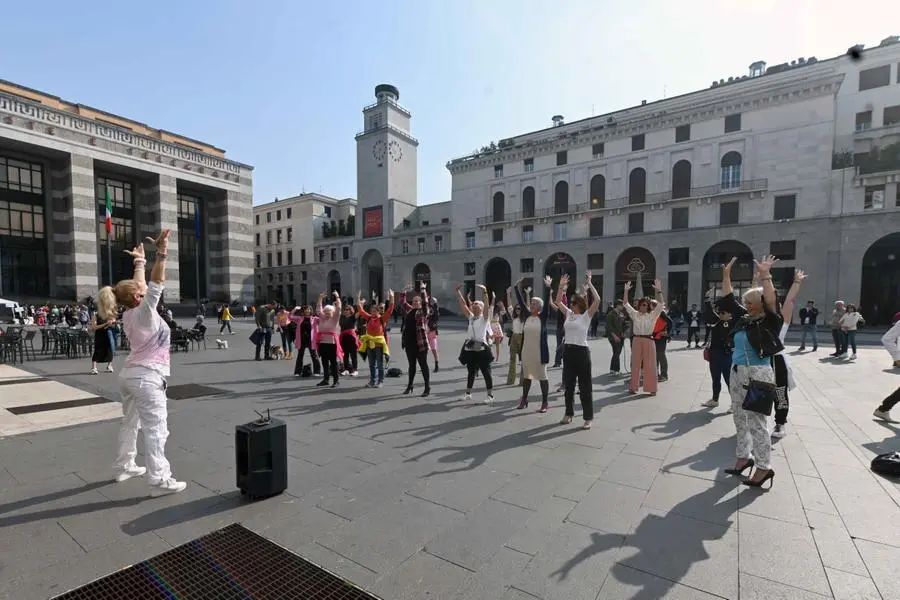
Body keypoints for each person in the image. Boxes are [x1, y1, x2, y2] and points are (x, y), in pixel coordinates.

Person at [107, 230, 186, 496]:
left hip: (129, 375)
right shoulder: (144, 312)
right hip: (147, 376)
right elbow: (156, 283)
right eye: (140, 291)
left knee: (130, 423)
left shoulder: (129, 312)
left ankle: (125, 465)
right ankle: (160, 480)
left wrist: (140, 262)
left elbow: (140, 286)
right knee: (156, 429)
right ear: (139, 297)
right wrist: (161, 254)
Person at [717, 255, 783, 488]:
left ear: (761, 303)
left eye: (750, 301)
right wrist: (726, 275)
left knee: (757, 422)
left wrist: (765, 275)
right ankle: (743, 457)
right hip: (738, 372)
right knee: (739, 417)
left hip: (759, 374)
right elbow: (727, 299)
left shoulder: (770, 321)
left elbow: (772, 300)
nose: (746, 304)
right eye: (745, 301)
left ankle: (764, 467)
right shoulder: (743, 320)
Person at [555, 272, 601, 429]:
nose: (571, 304)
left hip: (581, 352)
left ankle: (588, 417)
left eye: (574, 303)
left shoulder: (586, 316)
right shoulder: (568, 314)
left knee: (585, 386)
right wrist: (561, 286)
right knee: (569, 385)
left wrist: (590, 282)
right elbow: (557, 301)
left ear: (580, 305)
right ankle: (568, 414)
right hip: (568, 351)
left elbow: (598, 300)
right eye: (572, 302)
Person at [771, 269, 806, 438]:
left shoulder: (781, 320)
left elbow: (790, 300)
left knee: (780, 393)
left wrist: (797, 282)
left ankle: (780, 423)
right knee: (757, 393)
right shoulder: (757, 319)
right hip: (758, 361)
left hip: (776, 362)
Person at [512, 276, 553, 411]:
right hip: (527, 352)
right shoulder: (527, 316)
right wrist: (516, 288)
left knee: (542, 377)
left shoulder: (543, 317)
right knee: (527, 377)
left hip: (539, 353)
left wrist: (548, 287)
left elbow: (547, 302)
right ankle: (524, 400)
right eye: (532, 303)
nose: (531, 305)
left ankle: (545, 403)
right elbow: (521, 302)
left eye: (534, 304)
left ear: (539, 307)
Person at [623, 279, 665, 395]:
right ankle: (633, 387)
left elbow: (661, 304)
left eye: (645, 305)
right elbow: (625, 304)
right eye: (641, 304)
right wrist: (626, 291)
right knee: (635, 364)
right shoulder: (635, 314)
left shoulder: (652, 315)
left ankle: (652, 388)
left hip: (648, 339)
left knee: (650, 364)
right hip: (637, 339)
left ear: (648, 307)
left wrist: (659, 290)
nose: (643, 306)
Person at [456, 283, 495, 404]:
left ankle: (490, 395)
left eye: (476, 304)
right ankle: (468, 393)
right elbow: (463, 305)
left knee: (485, 371)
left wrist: (485, 292)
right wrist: (458, 292)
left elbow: (488, 306)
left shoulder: (484, 318)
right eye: (473, 304)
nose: (474, 305)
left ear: (482, 308)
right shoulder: (471, 317)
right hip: (470, 346)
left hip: (481, 347)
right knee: (471, 370)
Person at [701, 295, 734, 409]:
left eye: (723, 312)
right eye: (720, 312)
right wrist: (707, 300)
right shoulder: (717, 321)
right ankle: (715, 399)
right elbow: (710, 312)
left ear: (730, 313)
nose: (720, 314)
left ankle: (734, 403)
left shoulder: (734, 323)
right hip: (715, 355)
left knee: (729, 380)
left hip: (727, 355)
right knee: (715, 379)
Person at [401, 283, 432, 397]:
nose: (414, 303)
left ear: (420, 303)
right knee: (411, 366)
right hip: (409, 344)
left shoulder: (422, 312)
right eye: (413, 301)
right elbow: (403, 303)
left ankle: (427, 387)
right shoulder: (410, 311)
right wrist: (404, 291)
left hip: (421, 344)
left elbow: (425, 304)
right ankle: (410, 385)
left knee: (423, 365)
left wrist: (423, 289)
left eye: (416, 301)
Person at [358, 290, 394, 388]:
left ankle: (380, 381)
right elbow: (361, 311)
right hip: (369, 344)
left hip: (378, 345)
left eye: (375, 311)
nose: (372, 312)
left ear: (379, 311)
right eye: (371, 311)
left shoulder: (382, 319)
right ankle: (372, 380)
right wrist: (359, 300)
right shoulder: (369, 318)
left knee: (379, 364)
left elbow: (390, 310)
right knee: (371, 364)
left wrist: (391, 297)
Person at [315, 292, 342, 388]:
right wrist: (320, 298)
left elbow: (338, 308)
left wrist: (337, 296)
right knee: (324, 362)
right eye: (325, 312)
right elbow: (318, 309)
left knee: (333, 363)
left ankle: (336, 380)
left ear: (332, 312)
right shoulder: (322, 318)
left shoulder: (335, 319)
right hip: (322, 343)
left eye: (328, 312)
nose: (326, 313)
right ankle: (326, 379)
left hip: (332, 343)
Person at [89, 295, 117, 375]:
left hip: (109, 334)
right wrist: (105, 324)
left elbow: (113, 325)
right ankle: (94, 368)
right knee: (97, 350)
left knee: (110, 349)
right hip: (99, 335)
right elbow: (94, 327)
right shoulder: (95, 315)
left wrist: (112, 322)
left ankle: (109, 365)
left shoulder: (109, 315)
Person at [291, 306, 320, 376]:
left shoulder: (314, 319)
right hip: (302, 339)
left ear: (310, 310)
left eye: (308, 309)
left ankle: (317, 372)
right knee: (300, 355)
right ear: (303, 311)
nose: (307, 311)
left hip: (311, 339)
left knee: (314, 355)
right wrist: (295, 309)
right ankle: (298, 372)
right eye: (305, 309)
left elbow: (323, 318)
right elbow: (290, 317)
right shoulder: (299, 318)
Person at [505, 287, 525, 386]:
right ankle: (510, 380)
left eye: (519, 309)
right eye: (516, 308)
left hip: (522, 337)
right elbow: (509, 305)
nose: (517, 310)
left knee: (523, 360)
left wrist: (528, 295)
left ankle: (522, 381)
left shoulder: (524, 318)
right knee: (512, 359)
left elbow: (528, 306)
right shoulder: (514, 317)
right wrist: (508, 294)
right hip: (514, 337)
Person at [652, 301, 673, 383]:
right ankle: (656, 374)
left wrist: (666, 332)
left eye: (652, 305)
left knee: (661, 355)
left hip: (661, 337)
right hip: (655, 336)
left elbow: (670, 322)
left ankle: (664, 375)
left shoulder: (661, 313)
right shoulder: (654, 313)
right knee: (655, 356)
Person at [606, 300, 626, 375]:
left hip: (621, 336)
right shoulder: (611, 314)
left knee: (617, 353)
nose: (622, 306)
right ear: (617, 305)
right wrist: (614, 336)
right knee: (616, 352)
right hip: (613, 337)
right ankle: (615, 370)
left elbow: (623, 324)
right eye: (621, 305)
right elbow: (608, 326)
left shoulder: (621, 314)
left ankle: (613, 369)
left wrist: (624, 332)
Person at [339, 303, 359, 376]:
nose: (345, 311)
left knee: (353, 354)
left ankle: (355, 369)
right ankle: (346, 369)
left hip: (351, 337)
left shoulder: (353, 317)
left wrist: (360, 303)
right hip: (343, 337)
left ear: (351, 310)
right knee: (345, 354)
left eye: (347, 309)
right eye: (344, 309)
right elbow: (337, 311)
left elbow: (360, 312)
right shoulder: (341, 317)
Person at [426, 295, 440, 372]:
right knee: (424, 350)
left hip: (432, 332)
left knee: (434, 349)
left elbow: (436, 317)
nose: (430, 301)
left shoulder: (434, 309)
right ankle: (424, 365)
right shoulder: (424, 308)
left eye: (432, 301)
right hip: (425, 332)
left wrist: (435, 305)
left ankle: (436, 365)